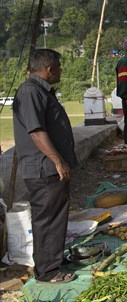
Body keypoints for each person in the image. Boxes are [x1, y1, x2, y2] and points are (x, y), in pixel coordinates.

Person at [12, 49, 76, 283]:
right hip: (43, 168)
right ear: (49, 70)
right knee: (47, 218)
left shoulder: (40, 91)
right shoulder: (30, 91)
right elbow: (37, 132)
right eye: (58, 68)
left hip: (49, 167)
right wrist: (58, 160)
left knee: (56, 215)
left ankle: (54, 260)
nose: (60, 72)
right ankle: (48, 271)